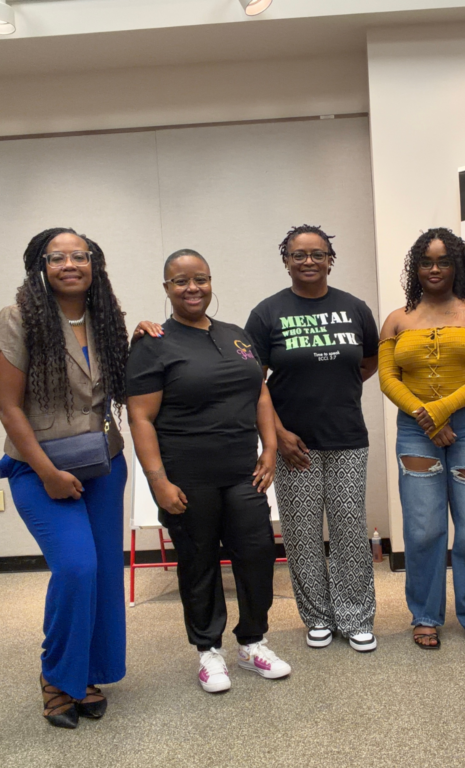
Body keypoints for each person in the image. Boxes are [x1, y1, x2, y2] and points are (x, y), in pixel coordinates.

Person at [127, 249, 290, 694]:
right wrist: (157, 480)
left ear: (211, 281)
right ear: (167, 289)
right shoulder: (153, 343)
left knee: (256, 555)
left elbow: (258, 392)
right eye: (180, 281)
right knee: (198, 562)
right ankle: (208, 652)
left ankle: (253, 642)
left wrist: (270, 446)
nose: (191, 288)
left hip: (242, 470)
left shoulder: (237, 336)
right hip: (186, 475)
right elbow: (140, 418)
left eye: (199, 279)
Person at [0, 227, 130, 728]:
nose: (70, 264)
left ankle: (86, 673)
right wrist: (47, 473)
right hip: (40, 467)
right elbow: (8, 409)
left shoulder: (107, 319)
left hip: (104, 465)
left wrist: (155, 334)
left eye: (80, 256)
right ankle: (56, 676)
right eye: (57, 257)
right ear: (39, 266)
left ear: (94, 264)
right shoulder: (17, 318)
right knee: (76, 568)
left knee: (105, 573)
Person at [243, 225, 380, 653]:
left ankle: (356, 616)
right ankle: (317, 616)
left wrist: (333, 388)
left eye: (317, 254)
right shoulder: (266, 313)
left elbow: (370, 361)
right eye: (298, 254)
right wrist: (278, 435)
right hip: (292, 445)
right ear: (285, 259)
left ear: (329, 259)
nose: (308, 261)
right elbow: (253, 383)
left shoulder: (354, 307)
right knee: (302, 533)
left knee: (349, 531)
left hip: (347, 439)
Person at [378, 228, 465, 650]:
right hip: (416, 431)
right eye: (426, 262)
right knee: (424, 528)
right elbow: (387, 378)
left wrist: (442, 410)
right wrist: (427, 418)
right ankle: (425, 615)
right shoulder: (397, 319)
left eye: (444, 261)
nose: (434, 269)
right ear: (416, 268)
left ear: (458, 266)